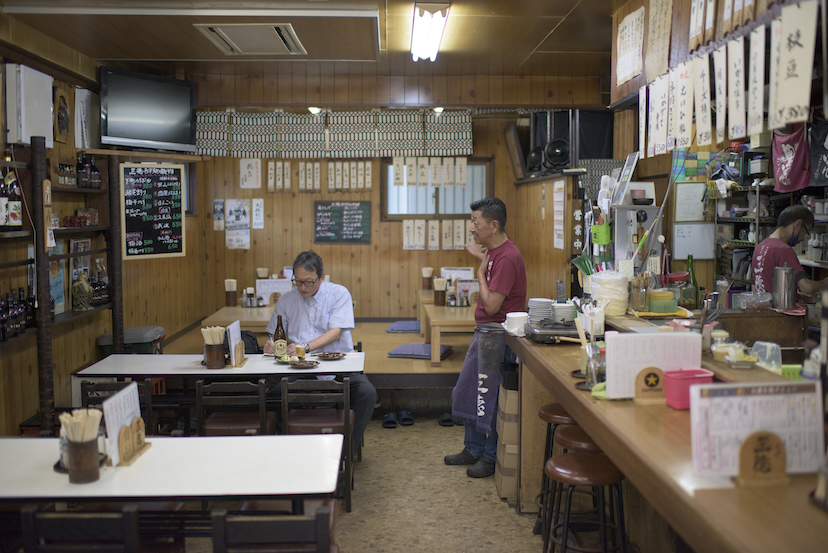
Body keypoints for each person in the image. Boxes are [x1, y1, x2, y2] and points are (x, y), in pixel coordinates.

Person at [444, 198, 527, 478]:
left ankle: (489, 457)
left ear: (493, 225)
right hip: (485, 333)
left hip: (498, 336)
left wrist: (479, 275)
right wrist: (482, 262)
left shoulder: (506, 257)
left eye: (475, 222)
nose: (471, 228)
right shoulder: (495, 251)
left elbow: (492, 306)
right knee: (468, 390)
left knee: (487, 397)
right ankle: (473, 448)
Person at [264, 251, 377, 450]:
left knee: (367, 393)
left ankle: (346, 451)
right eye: (297, 282)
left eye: (308, 282)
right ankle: (292, 449)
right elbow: (274, 333)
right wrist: (270, 344)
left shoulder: (339, 294)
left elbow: (335, 333)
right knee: (274, 395)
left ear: (322, 277)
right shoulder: (287, 299)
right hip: (301, 369)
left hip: (339, 366)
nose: (302, 287)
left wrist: (305, 347)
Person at [752, 205, 828, 295]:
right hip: (778, 308)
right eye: (805, 232)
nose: (803, 238)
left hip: (762, 306)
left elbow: (755, 286)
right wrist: (824, 282)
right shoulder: (784, 250)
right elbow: (807, 287)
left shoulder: (760, 246)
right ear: (798, 224)